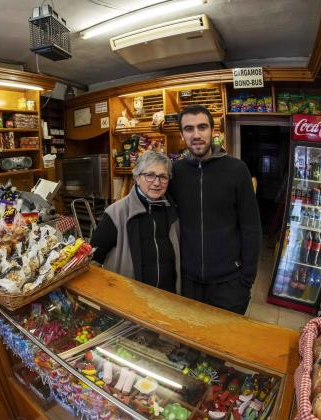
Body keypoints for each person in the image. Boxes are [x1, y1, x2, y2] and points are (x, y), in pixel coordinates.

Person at [167, 104, 261, 314]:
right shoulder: (175, 172)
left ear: (213, 131)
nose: (196, 134)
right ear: (182, 135)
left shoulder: (237, 170)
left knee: (223, 343)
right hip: (188, 281)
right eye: (189, 129)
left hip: (229, 282)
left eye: (202, 127)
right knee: (190, 340)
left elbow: (251, 227)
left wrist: (246, 281)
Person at [90, 152, 180, 293]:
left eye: (163, 176)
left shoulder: (173, 211)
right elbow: (93, 259)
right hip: (130, 301)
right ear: (137, 177)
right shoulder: (116, 213)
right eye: (149, 175)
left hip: (168, 299)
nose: (157, 183)